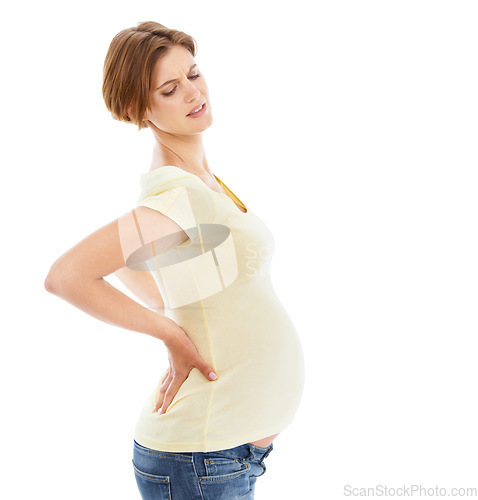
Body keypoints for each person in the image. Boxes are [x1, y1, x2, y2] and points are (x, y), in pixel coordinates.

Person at [44, 21, 305, 500]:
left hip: (223, 458)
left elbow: (158, 280)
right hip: (202, 461)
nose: (192, 92)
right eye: (169, 88)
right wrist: (169, 333)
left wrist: (165, 307)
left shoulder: (201, 183)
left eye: (193, 74)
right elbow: (67, 276)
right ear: (136, 110)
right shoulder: (175, 192)